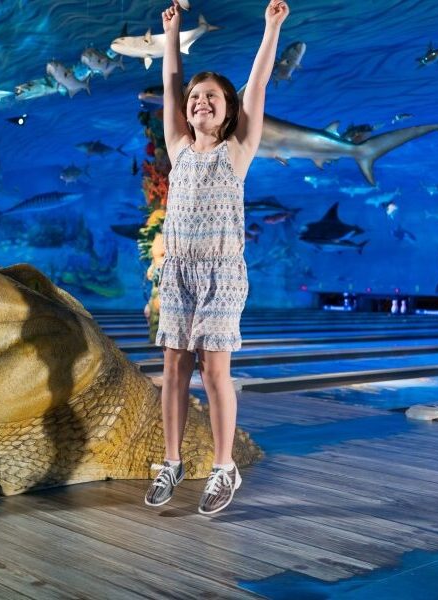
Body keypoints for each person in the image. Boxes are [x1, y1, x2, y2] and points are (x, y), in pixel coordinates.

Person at [145, 0, 289, 515]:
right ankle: (172, 462)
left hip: (222, 273)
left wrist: (271, 27)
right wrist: (172, 34)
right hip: (179, 272)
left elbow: (258, 83)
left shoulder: (238, 150)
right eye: (195, 97)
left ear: (229, 110)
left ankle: (223, 467)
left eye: (212, 96)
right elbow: (171, 83)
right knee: (173, 368)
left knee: (213, 371)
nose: (200, 101)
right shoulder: (178, 147)